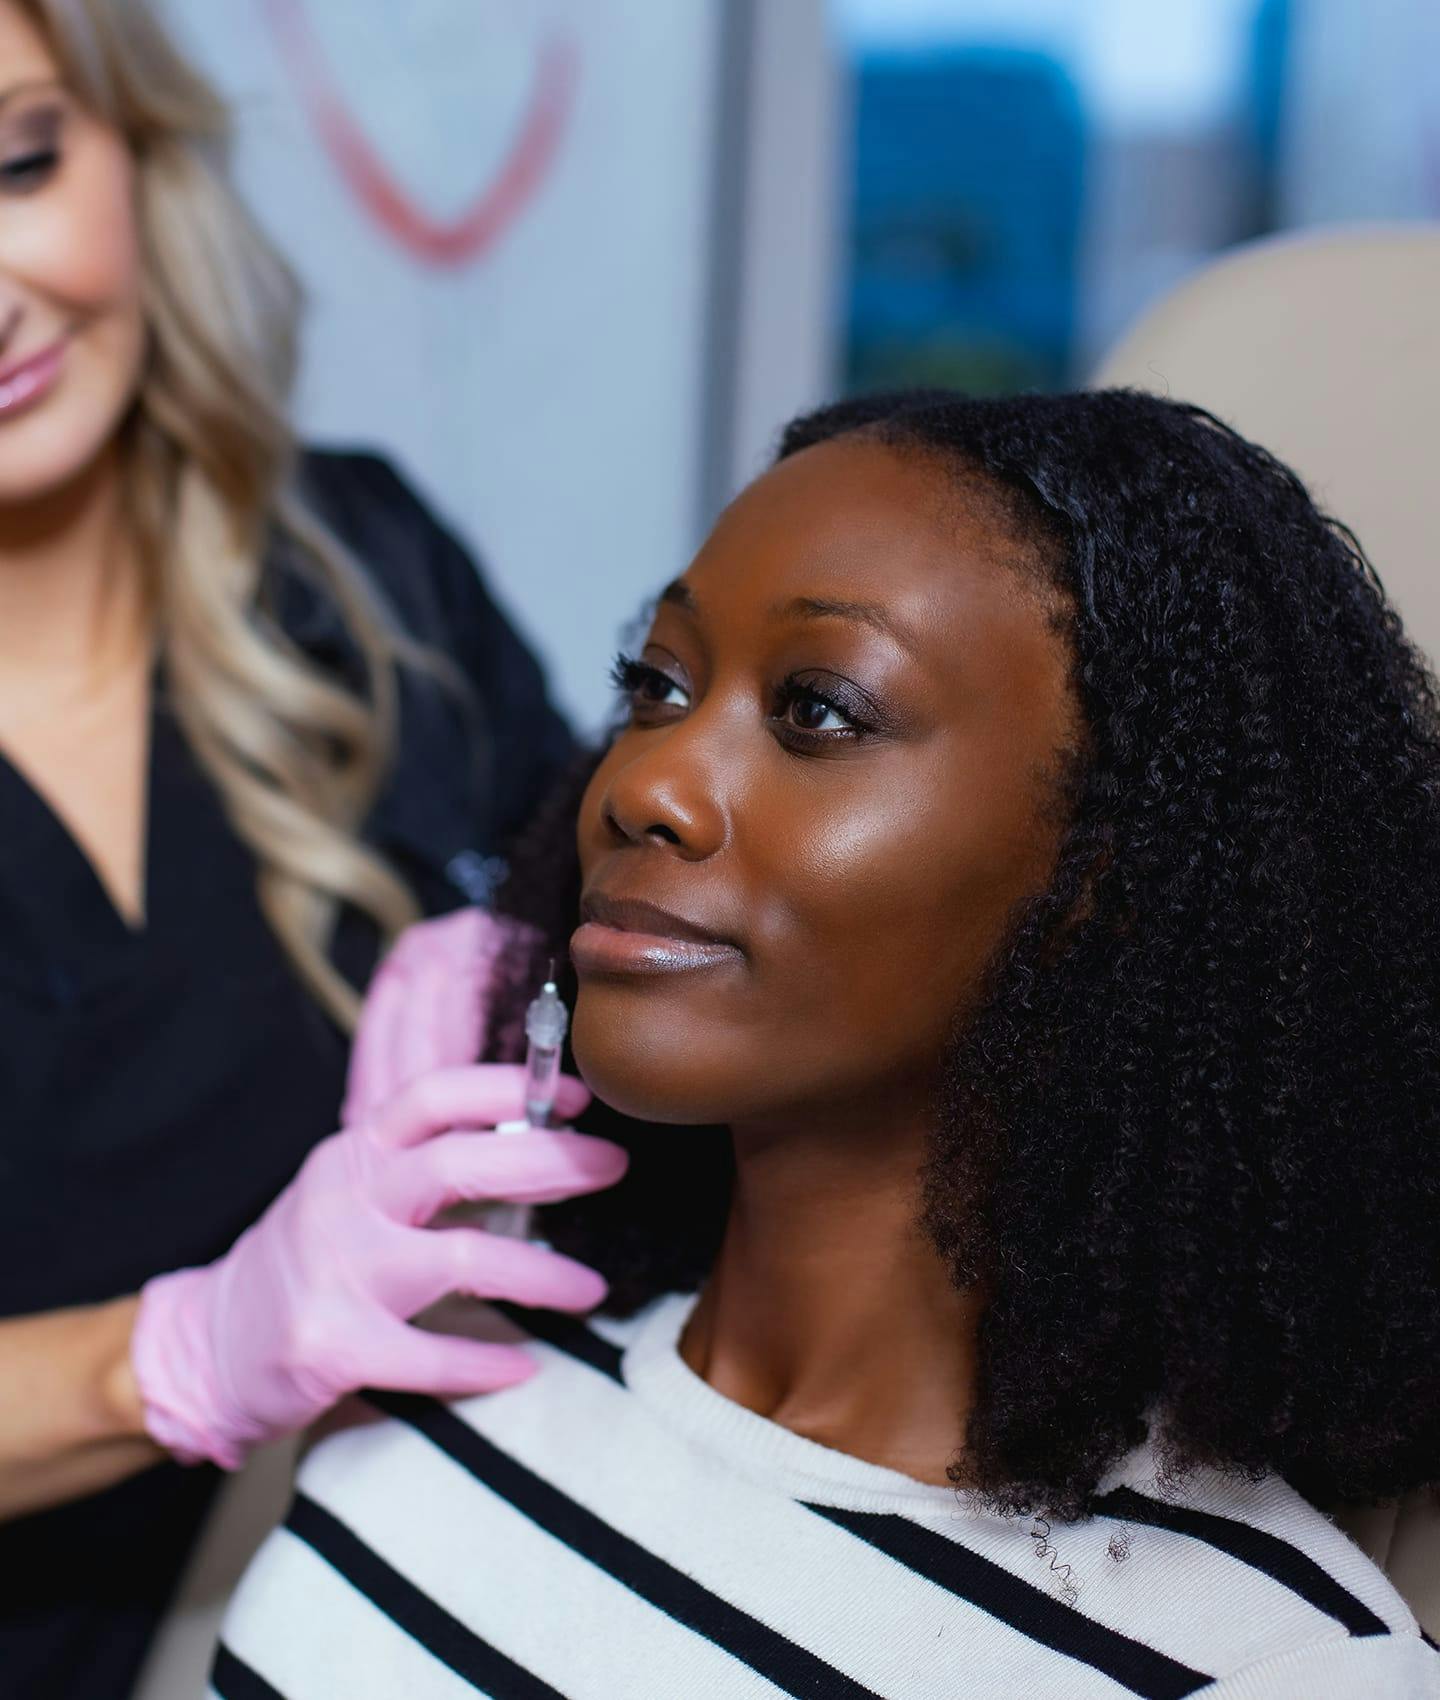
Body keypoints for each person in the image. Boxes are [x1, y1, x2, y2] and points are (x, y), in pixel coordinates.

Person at [217, 389, 1440, 1698]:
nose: (642, 785)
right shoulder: (435, 1398)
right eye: (656, 686)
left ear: (1120, 870)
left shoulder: (1272, 1672)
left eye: (821, 712)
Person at [0, 3, 625, 1696]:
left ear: (136, 145)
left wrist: (547, 953)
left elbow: (620, 888)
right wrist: (180, 1354)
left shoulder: (362, 564)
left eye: (18, 161)